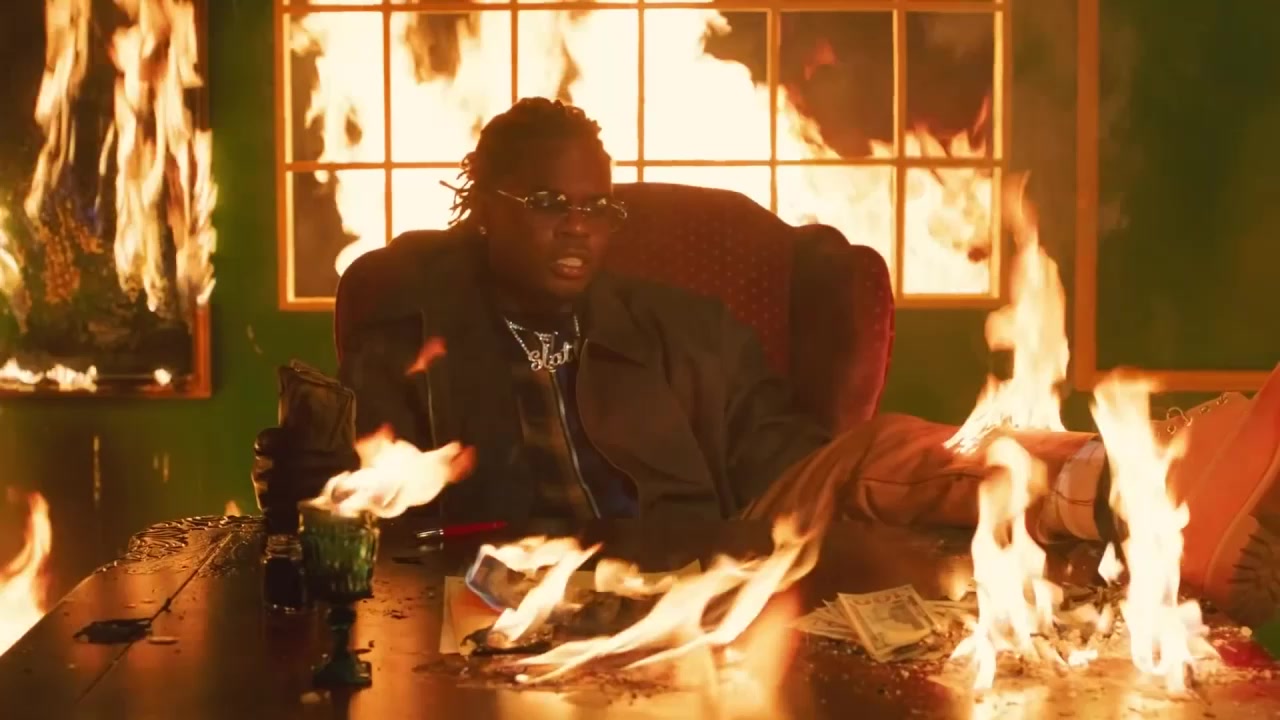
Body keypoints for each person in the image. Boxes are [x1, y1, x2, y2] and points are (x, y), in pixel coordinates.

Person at [252, 97, 1280, 628]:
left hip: (706, 549)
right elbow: (366, 502)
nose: (580, 229)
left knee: (879, 456)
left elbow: (789, 458)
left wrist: (846, 493)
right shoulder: (416, 328)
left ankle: (1128, 485)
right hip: (514, 583)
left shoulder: (674, 326)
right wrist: (301, 484)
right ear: (484, 204)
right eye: (549, 204)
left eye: (598, 207)